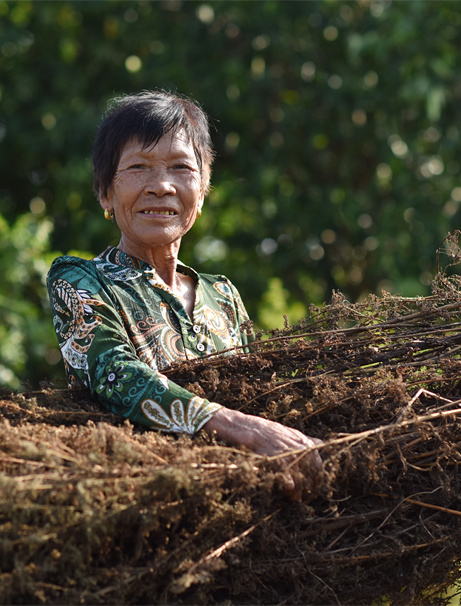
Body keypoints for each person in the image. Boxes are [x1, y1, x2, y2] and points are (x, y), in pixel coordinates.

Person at [46, 91, 322, 500]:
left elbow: (263, 396)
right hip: (143, 501)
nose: (161, 186)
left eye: (181, 168)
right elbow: (114, 374)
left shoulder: (223, 295)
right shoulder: (80, 279)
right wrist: (240, 428)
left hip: (239, 502)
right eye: (138, 167)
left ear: (204, 189)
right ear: (106, 192)